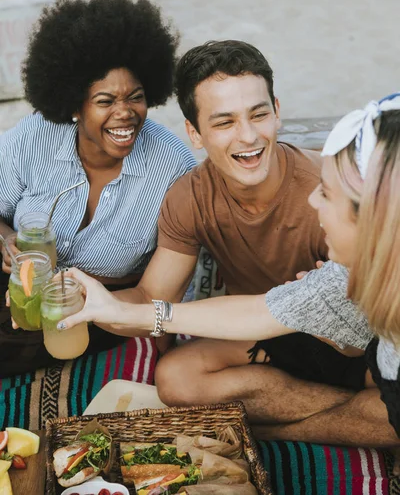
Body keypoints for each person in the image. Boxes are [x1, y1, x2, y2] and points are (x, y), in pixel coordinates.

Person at [56, 40, 371, 442]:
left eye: (259, 115)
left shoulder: (329, 194)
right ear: (195, 133)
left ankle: (281, 426)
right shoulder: (190, 196)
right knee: (176, 380)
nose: (249, 137)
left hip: (352, 342)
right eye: (224, 123)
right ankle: (357, 418)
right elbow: (153, 295)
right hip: (262, 334)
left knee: (387, 393)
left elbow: (362, 327)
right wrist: (97, 303)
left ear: (277, 110)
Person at [0, 0, 195, 394]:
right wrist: (6, 241)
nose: (125, 113)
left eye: (136, 97)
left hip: (107, 307)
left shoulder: (173, 167)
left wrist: (84, 301)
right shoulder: (34, 137)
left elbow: (161, 291)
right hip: (19, 285)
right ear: (74, 104)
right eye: (105, 101)